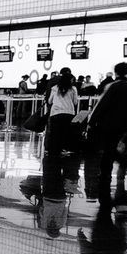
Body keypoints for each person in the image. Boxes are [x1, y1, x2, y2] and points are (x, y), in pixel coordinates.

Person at [87, 61, 127, 205]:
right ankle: (122, 164)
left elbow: (103, 104)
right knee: (120, 148)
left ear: (116, 73)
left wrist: (92, 122)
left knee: (108, 150)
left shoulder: (113, 87)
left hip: (110, 124)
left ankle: (105, 176)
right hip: (126, 124)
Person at [42, 68, 81, 199]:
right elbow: (75, 102)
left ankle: (54, 152)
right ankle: (63, 150)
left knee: (55, 135)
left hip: (56, 113)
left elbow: (50, 101)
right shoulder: (73, 89)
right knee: (65, 134)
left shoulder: (55, 87)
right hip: (68, 113)